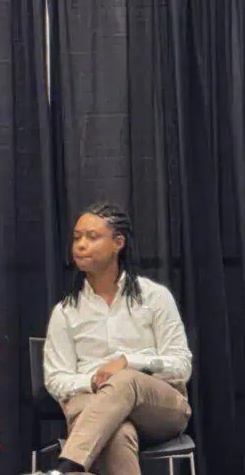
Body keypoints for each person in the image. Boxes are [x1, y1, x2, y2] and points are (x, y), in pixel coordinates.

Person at [35, 202, 192, 475]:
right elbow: (56, 379)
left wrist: (128, 363)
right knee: (117, 434)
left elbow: (181, 366)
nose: (80, 245)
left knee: (126, 379)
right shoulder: (66, 311)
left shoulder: (154, 297)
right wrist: (96, 381)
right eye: (76, 238)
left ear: (118, 243)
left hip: (158, 407)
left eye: (92, 237)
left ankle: (67, 467)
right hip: (92, 408)